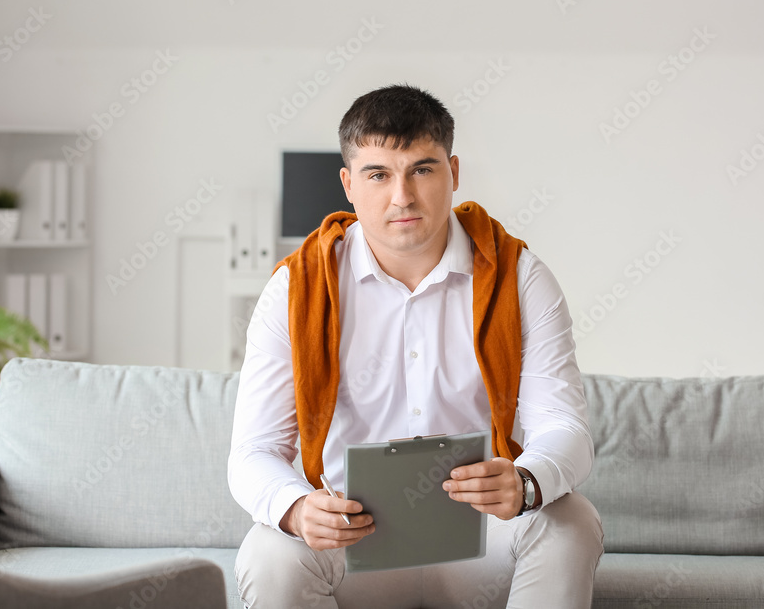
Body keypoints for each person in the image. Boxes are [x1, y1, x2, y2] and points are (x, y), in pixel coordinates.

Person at [228, 84, 604, 608]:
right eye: (378, 174)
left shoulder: (518, 277)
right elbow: (253, 452)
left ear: (453, 173)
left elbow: (565, 429)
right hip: (355, 541)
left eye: (422, 170)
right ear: (348, 184)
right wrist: (294, 509)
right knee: (269, 550)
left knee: (571, 519)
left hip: (481, 539)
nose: (401, 196)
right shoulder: (295, 289)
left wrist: (525, 481)